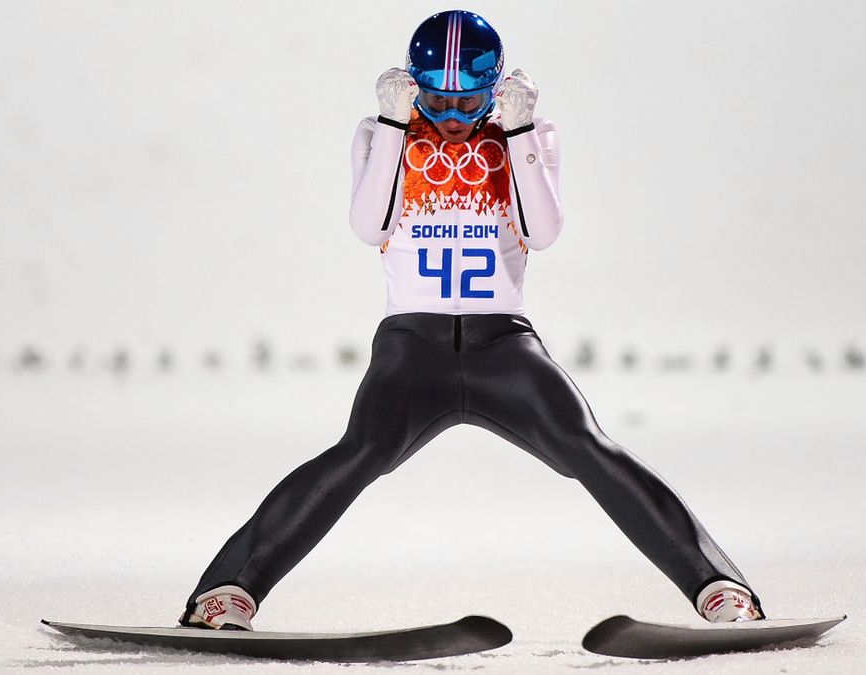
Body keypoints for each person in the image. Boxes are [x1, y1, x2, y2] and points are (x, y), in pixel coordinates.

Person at [179, 10, 764, 631]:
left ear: (494, 93)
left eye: (468, 104)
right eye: (437, 100)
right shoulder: (381, 133)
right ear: (412, 86)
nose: (454, 119)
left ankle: (721, 587)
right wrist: (392, 125)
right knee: (361, 450)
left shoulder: (528, 136)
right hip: (412, 347)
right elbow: (367, 226)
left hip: (503, 346)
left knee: (586, 446)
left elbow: (543, 231)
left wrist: (519, 134)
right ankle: (226, 592)